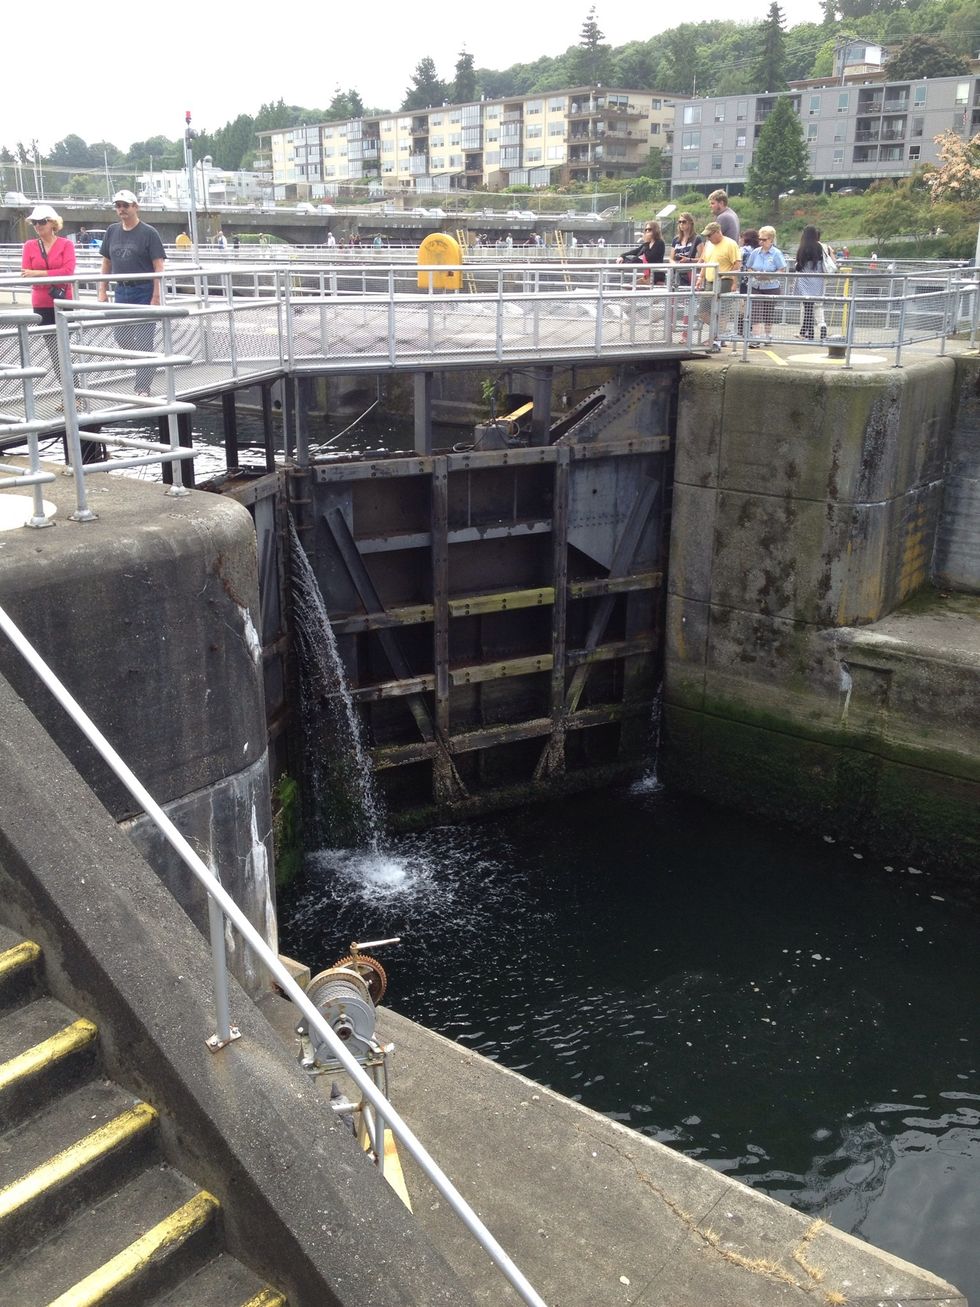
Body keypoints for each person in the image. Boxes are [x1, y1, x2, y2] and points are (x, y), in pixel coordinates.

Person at [98, 190, 166, 396]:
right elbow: (106, 262)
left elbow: (158, 266)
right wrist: (102, 289)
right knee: (121, 336)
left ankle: (142, 386)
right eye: (118, 206)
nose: (121, 210)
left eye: (125, 205)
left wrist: (156, 296)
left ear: (135, 207)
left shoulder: (148, 233)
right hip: (122, 290)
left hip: (143, 289)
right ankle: (147, 363)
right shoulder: (112, 231)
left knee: (145, 338)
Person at [22, 204, 75, 328]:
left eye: (42, 221)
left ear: (53, 223)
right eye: (35, 222)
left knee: (66, 340)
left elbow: (68, 271)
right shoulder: (29, 245)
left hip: (63, 299)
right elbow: (26, 273)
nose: (38, 225)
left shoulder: (66, 244)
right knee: (49, 340)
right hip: (41, 301)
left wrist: (38, 273)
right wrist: (54, 273)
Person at [695, 221, 741, 349]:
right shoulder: (709, 244)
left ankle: (716, 338)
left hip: (724, 280)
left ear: (717, 232)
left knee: (722, 311)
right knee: (702, 311)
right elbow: (705, 261)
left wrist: (734, 282)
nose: (708, 238)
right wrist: (701, 277)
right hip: (710, 281)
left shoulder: (731, 244)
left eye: (709, 235)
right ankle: (719, 333)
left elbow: (737, 264)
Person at [743, 226, 786, 346]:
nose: (761, 242)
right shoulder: (755, 252)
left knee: (769, 312)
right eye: (759, 239)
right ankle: (756, 336)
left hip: (771, 287)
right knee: (755, 311)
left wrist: (770, 276)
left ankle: (768, 336)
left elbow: (781, 269)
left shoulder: (776, 253)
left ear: (771, 240)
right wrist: (754, 274)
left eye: (764, 240)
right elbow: (749, 267)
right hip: (756, 286)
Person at [795, 224, 826, 341]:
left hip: (805, 280)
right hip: (817, 279)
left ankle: (808, 332)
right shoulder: (819, 247)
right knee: (813, 306)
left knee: (807, 307)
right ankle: (807, 331)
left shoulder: (803, 248)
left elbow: (799, 266)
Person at [618, 219, 666, 285]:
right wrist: (622, 256)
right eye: (646, 230)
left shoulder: (659, 243)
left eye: (649, 229)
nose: (647, 231)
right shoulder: (647, 244)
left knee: (632, 288)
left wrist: (646, 242)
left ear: (655, 230)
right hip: (647, 276)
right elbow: (635, 251)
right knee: (628, 287)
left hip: (656, 277)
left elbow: (649, 257)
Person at [670, 213, 702, 286]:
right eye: (679, 222)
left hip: (689, 272)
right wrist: (675, 264)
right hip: (676, 272)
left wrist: (689, 259)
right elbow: (671, 258)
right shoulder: (676, 239)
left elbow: (702, 258)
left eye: (684, 222)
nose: (681, 224)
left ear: (690, 223)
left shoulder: (696, 239)